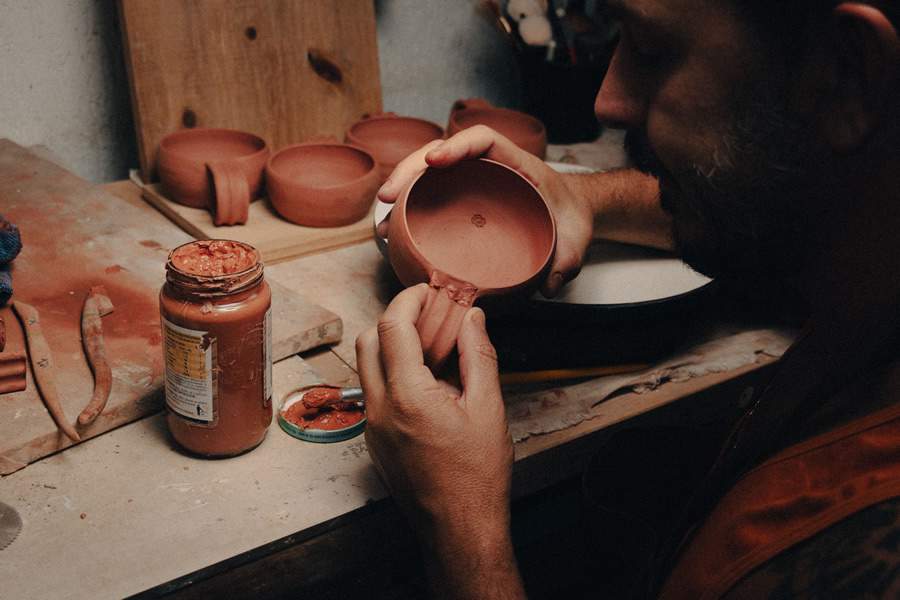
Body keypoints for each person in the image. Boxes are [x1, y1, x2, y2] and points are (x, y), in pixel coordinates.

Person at [356, 1, 900, 598]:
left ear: (845, 73)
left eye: (649, 49)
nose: (605, 102)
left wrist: (462, 530)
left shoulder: (847, 550)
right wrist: (580, 195)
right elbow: (768, 188)